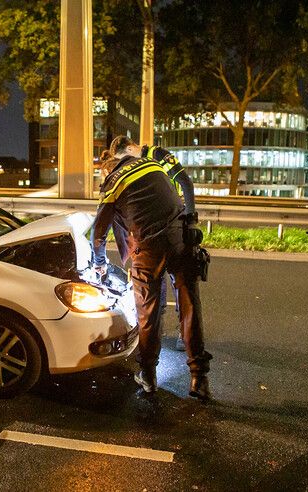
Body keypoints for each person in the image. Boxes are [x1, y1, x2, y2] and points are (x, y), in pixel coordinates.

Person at [91, 141, 212, 400]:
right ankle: (199, 378)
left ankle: (148, 375)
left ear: (108, 168)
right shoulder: (152, 164)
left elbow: (98, 233)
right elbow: (181, 192)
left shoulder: (113, 182)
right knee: (190, 306)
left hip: (147, 248)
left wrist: (100, 264)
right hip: (181, 238)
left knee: (149, 312)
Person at [108, 136, 198, 351]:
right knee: (156, 287)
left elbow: (185, 182)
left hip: (175, 224)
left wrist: (190, 219)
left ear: (131, 148)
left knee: (182, 286)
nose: (125, 165)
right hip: (153, 231)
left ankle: (184, 335)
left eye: (125, 158)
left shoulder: (158, 155)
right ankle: (156, 333)